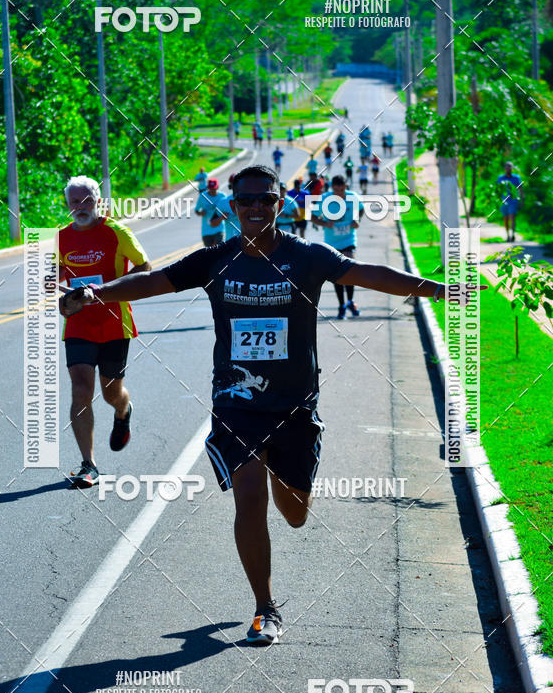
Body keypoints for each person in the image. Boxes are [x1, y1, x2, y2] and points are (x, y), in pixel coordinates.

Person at [60, 164, 481, 645]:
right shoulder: (215, 259)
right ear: (233, 206)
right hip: (236, 401)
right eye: (247, 200)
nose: (256, 207)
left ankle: (290, 485)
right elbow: (152, 282)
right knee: (249, 498)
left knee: (295, 512)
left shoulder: (307, 256)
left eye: (266, 199)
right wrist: (95, 293)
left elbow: (370, 274)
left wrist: (439, 289)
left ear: (281, 203)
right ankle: (265, 607)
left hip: (294, 403)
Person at [57, 176, 151, 488]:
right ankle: (88, 464)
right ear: (68, 204)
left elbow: (144, 267)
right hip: (78, 324)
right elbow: (53, 277)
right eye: (74, 201)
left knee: (111, 392)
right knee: (81, 389)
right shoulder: (61, 237)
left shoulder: (116, 232)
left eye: (87, 200)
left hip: (114, 324)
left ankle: (123, 410)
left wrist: (108, 290)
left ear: (98, 201)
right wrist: (66, 294)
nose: (81, 206)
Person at [311, 174, 364, 318]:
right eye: (336, 190)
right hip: (332, 242)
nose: (339, 193)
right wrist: (324, 223)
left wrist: (357, 220)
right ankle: (341, 304)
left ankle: (351, 301)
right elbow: (312, 217)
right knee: (338, 274)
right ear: (332, 188)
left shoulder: (353, 197)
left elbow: (361, 209)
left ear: (346, 187)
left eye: (342, 190)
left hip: (349, 240)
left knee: (350, 269)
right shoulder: (324, 199)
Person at [195, 178, 227, 247]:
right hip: (206, 230)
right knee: (209, 252)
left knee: (219, 249)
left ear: (217, 187)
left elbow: (227, 210)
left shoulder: (222, 196)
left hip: (219, 228)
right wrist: (201, 213)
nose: (212, 191)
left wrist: (223, 216)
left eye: (214, 189)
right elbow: (196, 210)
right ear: (207, 188)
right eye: (210, 189)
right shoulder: (202, 196)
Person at [497, 161, 523, 242]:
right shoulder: (501, 178)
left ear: (512, 168)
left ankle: (513, 235)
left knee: (512, 218)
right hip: (503, 201)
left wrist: (521, 200)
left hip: (513, 201)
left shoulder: (516, 178)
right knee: (505, 219)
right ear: (504, 168)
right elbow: (497, 190)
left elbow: (520, 189)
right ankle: (508, 235)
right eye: (507, 166)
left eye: (510, 166)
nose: (508, 168)